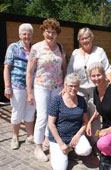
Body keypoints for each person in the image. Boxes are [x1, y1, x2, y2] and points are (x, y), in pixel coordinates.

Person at [26, 18, 66, 161]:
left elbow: (64, 68)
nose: (50, 35)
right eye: (48, 32)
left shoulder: (60, 47)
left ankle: (48, 139)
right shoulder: (36, 48)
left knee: (54, 115)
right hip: (41, 87)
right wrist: (29, 93)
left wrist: (65, 86)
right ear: (43, 32)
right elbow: (29, 72)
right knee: (42, 116)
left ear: (57, 34)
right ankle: (38, 147)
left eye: (53, 32)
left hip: (58, 87)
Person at [67, 27, 111, 145]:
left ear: (91, 38)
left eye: (87, 38)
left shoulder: (99, 51)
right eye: (82, 39)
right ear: (79, 40)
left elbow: (107, 69)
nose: (85, 41)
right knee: (79, 115)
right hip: (78, 90)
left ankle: (96, 141)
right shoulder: (75, 53)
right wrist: (66, 87)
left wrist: (110, 80)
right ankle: (80, 141)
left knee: (95, 116)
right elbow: (69, 71)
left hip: (95, 89)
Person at [48, 73, 92, 170]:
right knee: (60, 168)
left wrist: (78, 135)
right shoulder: (57, 100)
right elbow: (51, 124)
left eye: (75, 86)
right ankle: (56, 150)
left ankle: (70, 150)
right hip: (58, 138)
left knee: (86, 150)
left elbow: (85, 122)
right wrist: (61, 143)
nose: (73, 88)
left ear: (79, 86)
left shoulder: (81, 100)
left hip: (74, 135)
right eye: (70, 86)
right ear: (65, 86)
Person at [3, 23, 35, 150]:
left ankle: (30, 135)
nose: (27, 36)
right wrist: (7, 86)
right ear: (20, 35)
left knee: (30, 111)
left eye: (29, 34)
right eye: (24, 34)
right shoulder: (13, 47)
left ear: (32, 35)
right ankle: (15, 137)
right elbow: (7, 67)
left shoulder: (35, 48)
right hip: (17, 86)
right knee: (17, 111)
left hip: (32, 86)